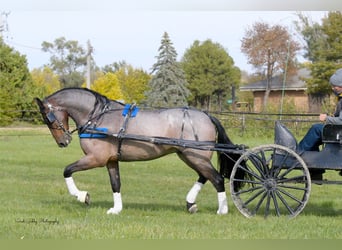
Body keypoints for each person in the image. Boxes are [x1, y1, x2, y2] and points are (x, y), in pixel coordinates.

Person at [298, 68, 342, 180]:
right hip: (337, 132)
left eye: (335, 86)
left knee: (316, 128)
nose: (333, 88)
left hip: (339, 134)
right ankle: (315, 170)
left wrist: (326, 118)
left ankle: (297, 153)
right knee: (316, 135)